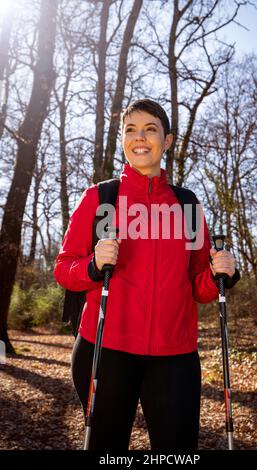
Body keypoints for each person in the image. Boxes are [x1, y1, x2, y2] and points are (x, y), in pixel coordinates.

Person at [54, 98, 239, 451]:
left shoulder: (187, 205)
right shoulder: (100, 197)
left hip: (175, 357)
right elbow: (64, 269)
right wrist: (93, 265)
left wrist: (220, 273)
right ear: (123, 139)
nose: (140, 138)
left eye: (150, 129)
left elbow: (199, 286)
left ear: (167, 141)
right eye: (131, 130)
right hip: (105, 350)